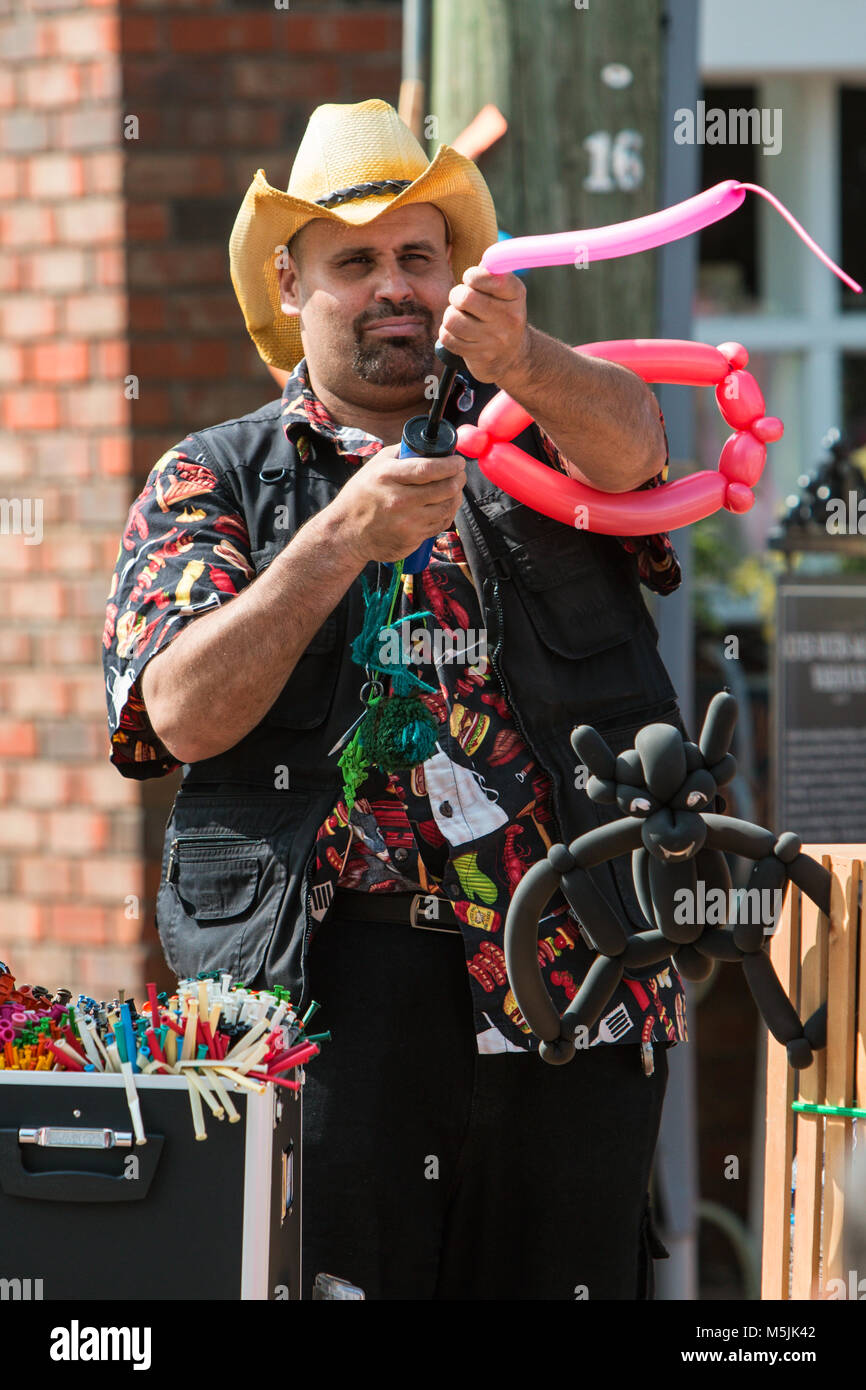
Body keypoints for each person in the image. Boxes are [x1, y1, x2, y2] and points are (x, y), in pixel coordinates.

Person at [102, 98, 687, 1300]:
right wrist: (331, 547)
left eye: (417, 257)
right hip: (328, 1002)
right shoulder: (209, 479)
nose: (392, 287)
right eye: (354, 260)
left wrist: (521, 358)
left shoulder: (530, 427)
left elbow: (638, 452)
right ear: (292, 280)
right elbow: (173, 716)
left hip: (570, 973)